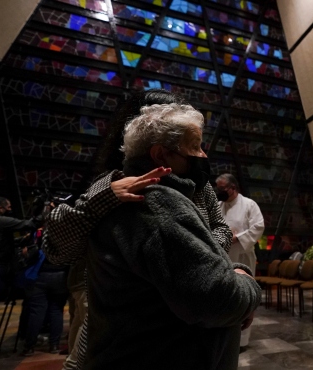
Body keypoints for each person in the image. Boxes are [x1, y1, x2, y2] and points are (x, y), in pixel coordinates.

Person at [42, 90, 233, 370]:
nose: (202, 153)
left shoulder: (199, 185)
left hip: (183, 324)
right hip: (125, 325)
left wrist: (201, 252)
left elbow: (221, 229)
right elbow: (57, 248)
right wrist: (103, 198)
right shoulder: (115, 182)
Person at [86, 103, 260, 370]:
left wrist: (231, 268)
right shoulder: (158, 205)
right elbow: (216, 299)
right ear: (161, 155)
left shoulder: (127, 198)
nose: (203, 155)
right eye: (195, 147)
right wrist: (247, 283)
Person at [215, 173, 264, 348]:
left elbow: (258, 226)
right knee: (225, 296)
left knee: (243, 295)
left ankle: (242, 342)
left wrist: (238, 238)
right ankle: (225, 335)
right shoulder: (218, 205)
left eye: (221, 189)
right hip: (223, 256)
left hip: (243, 256)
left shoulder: (249, 204)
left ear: (233, 188)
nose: (218, 192)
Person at [0, 197, 43, 297]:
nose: (10, 210)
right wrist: (44, 212)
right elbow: (30, 224)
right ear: (0, 208)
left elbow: (3, 241)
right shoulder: (2, 221)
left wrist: (23, 239)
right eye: (8, 207)